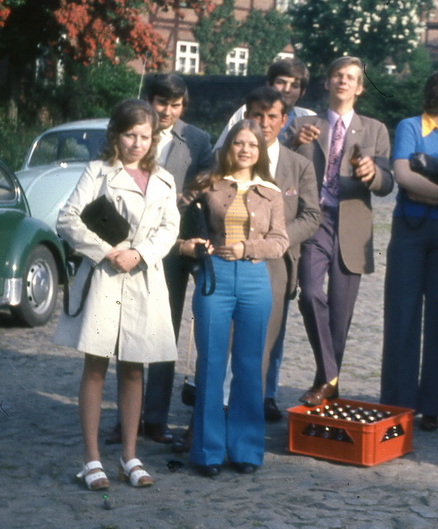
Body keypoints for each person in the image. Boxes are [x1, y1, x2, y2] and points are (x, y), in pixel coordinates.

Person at [56, 98, 180, 490]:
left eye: (145, 136)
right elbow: (68, 218)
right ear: (116, 135)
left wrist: (139, 253)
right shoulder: (99, 171)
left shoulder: (163, 179)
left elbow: (169, 228)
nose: (137, 143)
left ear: (154, 138)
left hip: (143, 278)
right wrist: (108, 252)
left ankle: (130, 455)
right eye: (130, 134)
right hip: (106, 278)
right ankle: (92, 458)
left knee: (134, 365)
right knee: (96, 365)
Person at [106, 73, 214, 446]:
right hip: (131, 247)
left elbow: (209, 185)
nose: (167, 111)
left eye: (176, 104)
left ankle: (155, 418)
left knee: (163, 332)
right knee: (128, 331)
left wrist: (193, 196)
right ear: (148, 99)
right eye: (161, 102)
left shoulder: (197, 139)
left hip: (174, 247)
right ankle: (126, 419)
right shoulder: (131, 131)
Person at [177, 120, 289, 476]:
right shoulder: (209, 185)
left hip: (255, 279)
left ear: (260, 151)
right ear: (228, 148)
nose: (245, 150)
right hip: (215, 278)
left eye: (252, 145)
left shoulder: (271, 192)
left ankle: (245, 450)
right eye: (238, 143)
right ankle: (208, 452)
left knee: (249, 365)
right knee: (210, 363)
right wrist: (191, 245)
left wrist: (246, 247)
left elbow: (280, 241)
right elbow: (176, 216)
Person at [287, 56, 394, 406]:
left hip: (352, 227)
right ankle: (332, 377)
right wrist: (292, 142)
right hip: (312, 221)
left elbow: (386, 183)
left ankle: (325, 382)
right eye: (337, 75)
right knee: (311, 294)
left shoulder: (375, 129)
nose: (343, 81)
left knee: (341, 315)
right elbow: (277, 165)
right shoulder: (304, 124)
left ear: (360, 88)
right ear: (327, 82)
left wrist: (372, 173)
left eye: (351, 77)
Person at [379, 69, 438, 431]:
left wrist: (436, 191)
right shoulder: (410, 126)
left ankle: (434, 403)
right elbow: (402, 175)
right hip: (409, 230)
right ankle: (398, 402)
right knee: (401, 314)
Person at [237, 86, 321, 421]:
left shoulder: (298, 165)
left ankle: (248, 424)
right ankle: (212, 418)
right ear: (247, 116)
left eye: (272, 116)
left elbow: (312, 215)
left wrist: (279, 240)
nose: (265, 123)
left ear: (284, 120)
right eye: (257, 115)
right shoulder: (232, 158)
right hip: (232, 260)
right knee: (224, 347)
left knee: (260, 348)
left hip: (276, 263)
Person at [215, 58, 315, 149]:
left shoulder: (309, 117)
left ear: (303, 91)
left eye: (295, 85)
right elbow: (221, 150)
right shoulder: (248, 111)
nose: (287, 90)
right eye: (281, 82)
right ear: (269, 84)